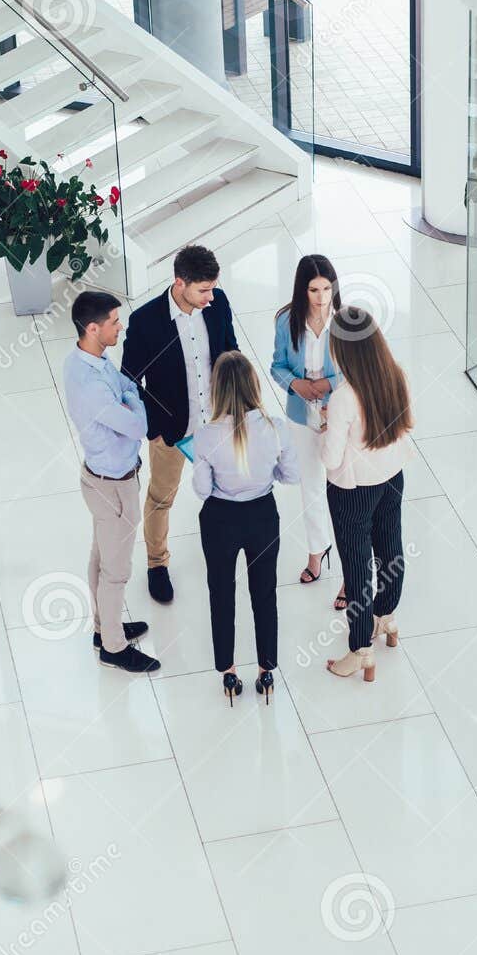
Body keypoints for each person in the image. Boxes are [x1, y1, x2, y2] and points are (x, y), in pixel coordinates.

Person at [120, 244, 238, 605]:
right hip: (171, 430)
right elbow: (129, 380)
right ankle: (157, 564)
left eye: (213, 287)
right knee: (160, 497)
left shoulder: (216, 305)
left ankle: (227, 550)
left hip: (216, 422)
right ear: (180, 282)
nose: (210, 296)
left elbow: (231, 353)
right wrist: (154, 426)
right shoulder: (146, 321)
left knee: (227, 491)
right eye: (203, 289)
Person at [63, 289, 161, 673]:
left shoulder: (86, 360)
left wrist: (129, 394)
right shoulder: (92, 385)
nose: (120, 327)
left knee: (101, 556)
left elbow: (127, 388)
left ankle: (105, 627)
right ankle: (114, 648)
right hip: (114, 484)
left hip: (101, 477)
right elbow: (139, 423)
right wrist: (132, 400)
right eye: (114, 322)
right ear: (93, 328)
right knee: (116, 569)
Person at [192, 352, 297, 705]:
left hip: (220, 519)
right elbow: (291, 475)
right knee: (264, 594)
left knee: (221, 593)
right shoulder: (276, 428)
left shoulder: (206, 436)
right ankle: (266, 670)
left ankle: (228, 671)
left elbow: (202, 490)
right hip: (262, 516)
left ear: (216, 389)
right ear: (253, 384)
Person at [320, 306, 413, 683]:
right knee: (390, 548)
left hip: (353, 489)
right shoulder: (395, 375)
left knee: (357, 567)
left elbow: (331, 458)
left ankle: (360, 650)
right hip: (393, 476)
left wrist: (326, 423)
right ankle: (386, 617)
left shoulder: (344, 397)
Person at [269, 254, 343, 603]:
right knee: (311, 488)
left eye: (326, 288)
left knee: (344, 493)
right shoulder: (286, 321)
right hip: (301, 414)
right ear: (302, 289)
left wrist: (326, 384)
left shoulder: (345, 322)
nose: (321, 297)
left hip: (337, 414)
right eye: (314, 289)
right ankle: (317, 552)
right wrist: (297, 385)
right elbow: (277, 366)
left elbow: (355, 368)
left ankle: (350, 571)